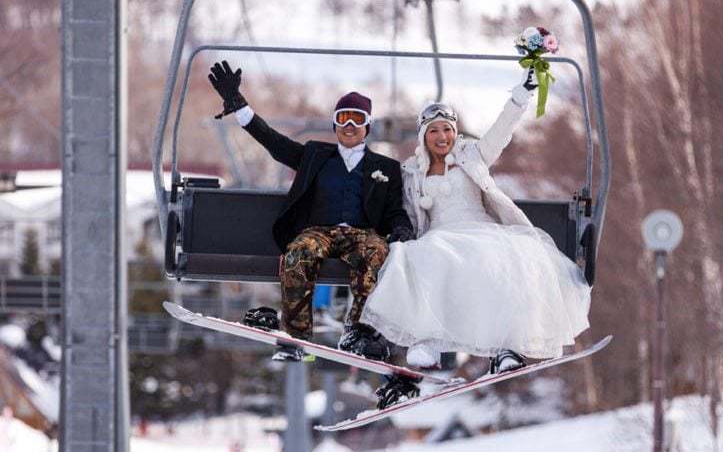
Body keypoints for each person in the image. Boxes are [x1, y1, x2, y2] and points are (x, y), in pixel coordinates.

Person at [360, 69, 592, 374]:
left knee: (503, 260)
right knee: (423, 257)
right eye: (434, 131)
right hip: (441, 233)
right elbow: (404, 208)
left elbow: (502, 131)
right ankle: (426, 341)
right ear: (423, 136)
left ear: (455, 133)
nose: (442, 137)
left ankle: (505, 348)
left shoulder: (473, 155)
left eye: (447, 130)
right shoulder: (413, 172)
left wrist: (521, 95)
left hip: (482, 228)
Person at [208, 60, 414, 362]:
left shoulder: (386, 168)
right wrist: (240, 107)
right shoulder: (316, 155)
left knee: (376, 252)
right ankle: (296, 335)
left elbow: (394, 209)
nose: (349, 126)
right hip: (320, 231)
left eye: (357, 119)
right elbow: (275, 143)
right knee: (298, 252)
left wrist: (401, 227)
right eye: (343, 118)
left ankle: (360, 331)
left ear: (367, 127)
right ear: (334, 124)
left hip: (361, 233)